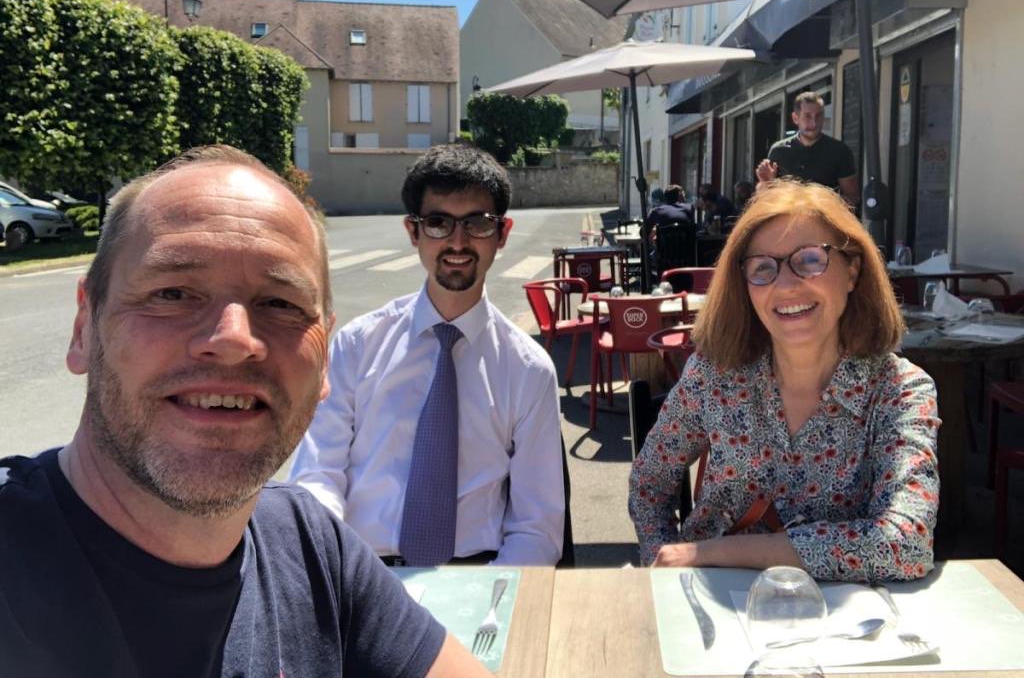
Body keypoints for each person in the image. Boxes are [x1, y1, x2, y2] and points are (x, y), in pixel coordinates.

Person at [0, 145, 489, 677]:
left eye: (280, 304)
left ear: (324, 356)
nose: (234, 340)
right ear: (83, 329)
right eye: (173, 292)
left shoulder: (308, 545)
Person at [629, 179, 940, 582]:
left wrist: (712, 551)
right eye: (763, 267)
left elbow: (905, 542)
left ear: (852, 270)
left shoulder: (899, 391)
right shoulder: (714, 375)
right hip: (714, 611)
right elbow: (649, 482)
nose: (786, 285)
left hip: (845, 626)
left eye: (810, 260)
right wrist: (664, 572)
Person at [290, 144, 564, 566]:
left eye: (477, 223)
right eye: (438, 223)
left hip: (479, 577)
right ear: (413, 232)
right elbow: (318, 473)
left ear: (503, 233)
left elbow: (536, 527)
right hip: (362, 572)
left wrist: (490, 601)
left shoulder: (528, 370)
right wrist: (333, 569)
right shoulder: (357, 346)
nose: (457, 241)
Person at [756, 91, 859, 206]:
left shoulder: (840, 151)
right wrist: (765, 182)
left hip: (823, 219)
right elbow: (765, 199)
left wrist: (826, 206)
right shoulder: (778, 151)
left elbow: (852, 196)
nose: (814, 123)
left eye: (818, 116)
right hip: (787, 219)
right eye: (808, 116)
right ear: (795, 118)